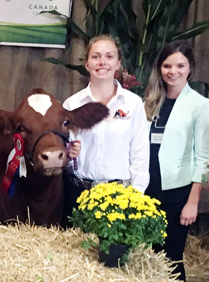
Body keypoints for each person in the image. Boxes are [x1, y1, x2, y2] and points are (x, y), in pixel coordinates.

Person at [143, 41, 209, 282]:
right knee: (145, 254)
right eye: (167, 65)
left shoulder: (201, 105)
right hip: (146, 188)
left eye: (180, 65)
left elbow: (204, 158)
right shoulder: (150, 102)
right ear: (160, 69)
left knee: (170, 255)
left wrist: (193, 202)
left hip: (176, 192)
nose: (172, 71)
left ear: (190, 68)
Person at [62, 35, 149, 224]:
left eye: (109, 57)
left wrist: (135, 198)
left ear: (118, 63)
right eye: (96, 57)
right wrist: (69, 155)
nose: (102, 62)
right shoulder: (72, 104)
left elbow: (140, 156)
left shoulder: (133, 104)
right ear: (86, 64)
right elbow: (65, 154)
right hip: (79, 194)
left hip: (119, 198)